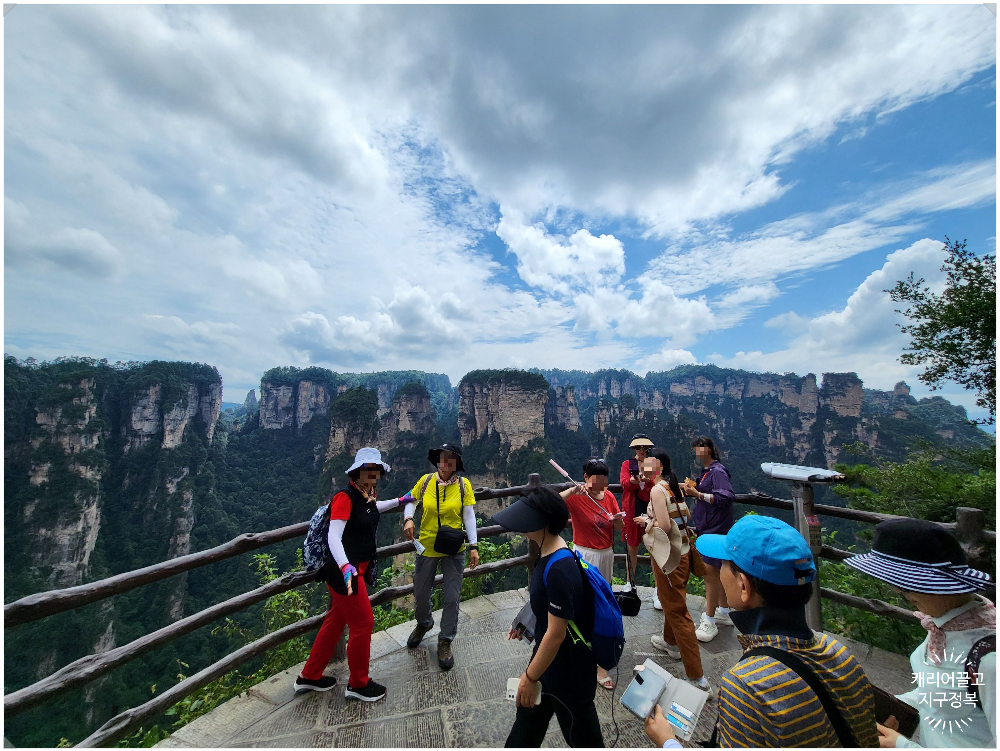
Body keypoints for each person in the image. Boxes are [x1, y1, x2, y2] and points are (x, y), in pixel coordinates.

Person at [678, 515, 879, 747]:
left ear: (744, 586)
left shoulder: (746, 686)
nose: (718, 569)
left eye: (724, 563)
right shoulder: (842, 655)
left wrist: (667, 742)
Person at [843, 518, 995, 749]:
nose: (897, 590)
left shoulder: (989, 658)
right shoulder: (948, 625)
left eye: (904, 584)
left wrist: (903, 747)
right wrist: (898, 707)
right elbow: (944, 692)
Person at [493, 487, 604, 748]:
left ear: (542, 523)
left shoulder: (559, 568)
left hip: (567, 672)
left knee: (583, 738)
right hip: (551, 664)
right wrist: (527, 622)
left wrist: (530, 678)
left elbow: (556, 633)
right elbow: (548, 604)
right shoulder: (553, 554)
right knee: (525, 732)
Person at [294, 448, 407, 701]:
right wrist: (346, 566)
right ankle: (358, 684)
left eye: (376, 470)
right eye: (368, 470)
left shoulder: (366, 496)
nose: (373, 474)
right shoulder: (345, 498)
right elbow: (334, 536)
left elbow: (374, 507)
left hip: (356, 569)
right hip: (345, 572)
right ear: (357, 472)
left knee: (336, 619)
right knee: (363, 623)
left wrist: (401, 501)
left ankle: (309, 676)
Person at [632, 448, 711, 697]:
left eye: (647, 465)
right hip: (684, 553)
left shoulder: (656, 490)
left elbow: (665, 526)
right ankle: (670, 642)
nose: (642, 469)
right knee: (673, 599)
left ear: (659, 468)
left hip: (669, 557)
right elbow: (682, 516)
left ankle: (698, 678)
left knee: (678, 611)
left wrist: (647, 522)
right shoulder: (671, 487)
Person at [402, 442, 479, 670]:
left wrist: (473, 545)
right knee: (421, 591)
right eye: (443, 457)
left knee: (451, 596)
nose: (446, 462)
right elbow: (410, 501)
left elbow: (469, 516)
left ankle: (445, 640)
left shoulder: (464, 486)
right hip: (426, 545)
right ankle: (424, 623)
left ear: (456, 464)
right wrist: (408, 518)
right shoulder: (425, 482)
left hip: (454, 547)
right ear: (438, 460)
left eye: (451, 458)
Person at [559, 457, 625, 690]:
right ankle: (578, 649)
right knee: (583, 604)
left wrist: (616, 520)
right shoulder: (577, 498)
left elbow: (618, 527)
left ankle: (598, 657)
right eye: (596, 479)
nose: (602, 483)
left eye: (604, 478)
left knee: (601, 604)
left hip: (606, 554)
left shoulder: (608, 497)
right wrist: (572, 490)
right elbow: (552, 503)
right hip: (584, 555)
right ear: (586, 478)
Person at [681, 435, 735, 641]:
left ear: (709, 450)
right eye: (694, 448)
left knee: (710, 573)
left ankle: (709, 620)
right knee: (716, 570)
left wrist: (697, 494)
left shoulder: (718, 471)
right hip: (708, 527)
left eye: (700, 448)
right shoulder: (707, 472)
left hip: (716, 529)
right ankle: (723, 611)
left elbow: (726, 496)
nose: (696, 452)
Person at [620, 434, 658, 608]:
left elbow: (657, 484)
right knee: (632, 547)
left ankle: (659, 589)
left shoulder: (653, 464)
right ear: (634, 449)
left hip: (651, 508)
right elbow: (624, 484)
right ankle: (630, 583)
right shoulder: (627, 465)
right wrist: (634, 481)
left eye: (644, 448)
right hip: (632, 509)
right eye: (638, 448)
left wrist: (647, 481)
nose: (641, 451)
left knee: (655, 548)